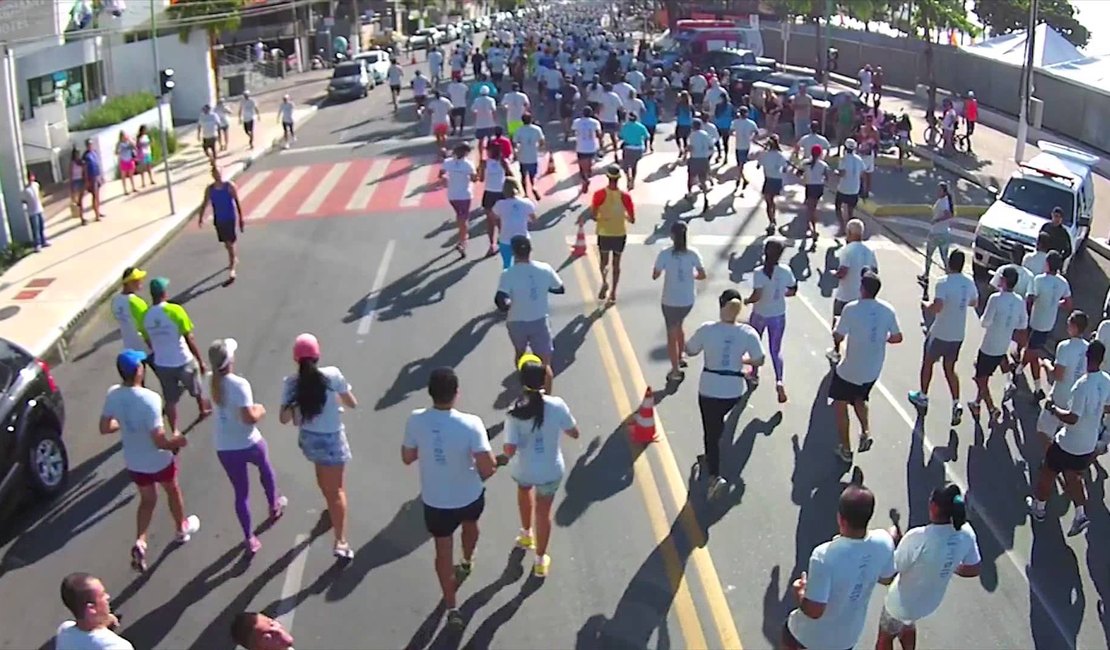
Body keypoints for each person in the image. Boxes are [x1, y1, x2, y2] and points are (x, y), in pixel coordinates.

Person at [402, 367, 497, 629]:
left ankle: (452, 605)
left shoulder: (415, 420)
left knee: (443, 553)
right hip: (469, 496)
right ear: (457, 393)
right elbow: (487, 468)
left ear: (430, 393)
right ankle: (466, 561)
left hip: (435, 502)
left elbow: (407, 457)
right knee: (471, 527)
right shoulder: (472, 424)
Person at [100, 349, 199, 572]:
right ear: (138, 371)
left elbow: (105, 427)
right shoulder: (151, 399)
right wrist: (178, 442)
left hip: (134, 462)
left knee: (147, 500)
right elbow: (159, 441)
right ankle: (181, 529)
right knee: (172, 491)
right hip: (158, 461)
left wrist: (124, 425)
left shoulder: (113, 394)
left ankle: (140, 541)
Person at [783, 482, 895, 650]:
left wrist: (799, 591)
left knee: (787, 635)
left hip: (808, 638)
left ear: (840, 518)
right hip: (846, 639)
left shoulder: (824, 556)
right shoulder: (884, 542)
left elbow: (814, 611)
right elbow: (887, 578)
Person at [279, 333, 358, 559]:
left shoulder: (292, 383)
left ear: (296, 359)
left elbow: (283, 418)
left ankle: (330, 510)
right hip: (332, 439)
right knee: (337, 491)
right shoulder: (332, 375)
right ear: (317, 356)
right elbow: (352, 402)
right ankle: (341, 541)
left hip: (309, 440)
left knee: (323, 479)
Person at [501, 354, 580, 577]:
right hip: (550, 470)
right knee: (543, 512)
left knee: (524, 491)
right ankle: (539, 561)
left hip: (523, 469)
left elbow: (509, 450)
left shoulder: (514, 410)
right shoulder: (557, 405)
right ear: (544, 380)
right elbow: (574, 433)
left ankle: (526, 534)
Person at [878, 484, 981, 650]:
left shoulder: (919, 537)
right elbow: (974, 567)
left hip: (900, 602)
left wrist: (891, 541)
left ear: (933, 506)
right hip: (929, 602)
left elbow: (890, 573)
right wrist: (951, 565)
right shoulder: (966, 533)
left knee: (884, 641)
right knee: (908, 623)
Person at [208, 338, 286, 554]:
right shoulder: (239, 385)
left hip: (225, 447)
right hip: (248, 442)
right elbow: (248, 417)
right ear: (230, 360)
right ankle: (274, 504)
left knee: (240, 493)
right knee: (265, 468)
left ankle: (249, 537)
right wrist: (260, 409)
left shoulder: (209, 381)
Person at [685, 290, 765, 498]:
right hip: (733, 391)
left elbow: (690, 350)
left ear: (721, 306)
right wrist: (742, 361)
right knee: (718, 422)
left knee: (710, 433)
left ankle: (714, 476)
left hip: (709, 388)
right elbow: (760, 359)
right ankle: (712, 457)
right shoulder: (747, 332)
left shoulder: (707, 329)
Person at [1028, 341, 1110, 537]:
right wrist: (1096, 412)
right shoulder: (1107, 381)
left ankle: (1038, 508)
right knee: (1074, 477)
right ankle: (1080, 514)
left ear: (1087, 357)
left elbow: (1072, 418)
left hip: (1068, 443)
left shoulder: (1081, 386)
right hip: (1088, 444)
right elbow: (1107, 407)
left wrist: (1053, 409)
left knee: (1048, 472)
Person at [828, 271, 903, 463]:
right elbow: (897, 337)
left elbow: (838, 336)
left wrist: (836, 327)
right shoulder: (888, 309)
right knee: (860, 397)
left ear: (862, 289)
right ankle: (865, 432)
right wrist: (881, 338)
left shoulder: (851, 309)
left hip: (849, 369)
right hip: (873, 370)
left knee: (840, 404)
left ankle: (845, 448)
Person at [908, 250, 977, 426]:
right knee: (949, 368)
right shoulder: (968, 282)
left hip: (940, 332)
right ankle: (956, 403)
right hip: (958, 334)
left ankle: (923, 396)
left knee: (928, 362)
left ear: (949, 264)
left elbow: (937, 307)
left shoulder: (943, 283)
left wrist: (925, 306)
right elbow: (974, 302)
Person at [495, 236, 564, 392]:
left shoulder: (508, 274)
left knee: (520, 353)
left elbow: (501, 299)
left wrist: (507, 304)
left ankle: (525, 384)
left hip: (516, 322)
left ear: (513, 252)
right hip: (539, 321)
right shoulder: (545, 269)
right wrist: (543, 288)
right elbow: (560, 288)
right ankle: (547, 398)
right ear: (530, 250)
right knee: (545, 364)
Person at [141, 277, 210, 435]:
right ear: (164, 293)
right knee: (196, 388)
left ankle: (175, 430)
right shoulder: (175, 310)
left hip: (162, 363)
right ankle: (203, 410)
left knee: (170, 400)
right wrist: (200, 360)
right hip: (183, 359)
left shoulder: (146, 316)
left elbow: (147, 340)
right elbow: (189, 337)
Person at [970, 267, 1029, 422]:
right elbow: (1023, 324)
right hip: (1003, 344)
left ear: (1004, 280)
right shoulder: (1019, 301)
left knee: (980, 379)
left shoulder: (995, 299)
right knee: (984, 372)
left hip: (989, 346)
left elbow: (985, 322)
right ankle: (977, 403)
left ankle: (991, 408)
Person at [653, 222, 707, 382]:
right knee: (679, 325)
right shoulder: (693, 254)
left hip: (670, 300)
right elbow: (702, 274)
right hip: (687, 300)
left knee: (671, 333)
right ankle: (681, 355)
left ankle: (675, 370)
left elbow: (655, 274)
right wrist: (692, 277)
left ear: (671, 236)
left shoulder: (665, 254)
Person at [745, 238, 797, 403]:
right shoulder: (785, 271)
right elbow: (792, 290)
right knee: (776, 349)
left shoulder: (759, 272)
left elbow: (757, 296)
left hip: (760, 314)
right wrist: (780, 294)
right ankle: (779, 380)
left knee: (755, 344)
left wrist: (747, 301)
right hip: (778, 315)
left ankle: (754, 373)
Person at [1022, 251, 1073, 400]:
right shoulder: (1063, 283)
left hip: (1035, 321)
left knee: (1033, 354)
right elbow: (1069, 303)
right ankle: (1018, 369)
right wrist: (1056, 303)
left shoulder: (1038, 280)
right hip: (1048, 323)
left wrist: (1030, 309)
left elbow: (1030, 298)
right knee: (1031, 349)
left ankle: (1037, 388)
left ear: (1047, 263)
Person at [1036, 311, 1090, 450]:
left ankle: (1050, 460)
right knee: (1064, 434)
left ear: (1074, 327)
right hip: (1076, 400)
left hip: (1060, 396)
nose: (1067, 327)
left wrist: (1046, 363)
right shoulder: (1088, 348)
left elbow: (1058, 375)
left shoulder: (1064, 347)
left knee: (1043, 431)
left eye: (1069, 324)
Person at [587, 165, 635, 303]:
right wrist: (625, 216)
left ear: (607, 178)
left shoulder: (599, 194)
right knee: (616, 264)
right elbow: (632, 219)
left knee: (603, 262)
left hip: (604, 232)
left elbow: (594, 215)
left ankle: (604, 281)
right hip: (619, 233)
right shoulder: (625, 196)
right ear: (619, 179)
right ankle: (613, 292)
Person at [827, 220, 878, 348]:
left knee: (838, 322)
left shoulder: (847, 250)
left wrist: (834, 274)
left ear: (849, 232)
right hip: (862, 295)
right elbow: (875, 271)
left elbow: (843, 271)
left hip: (845, 294)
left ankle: (836, 348)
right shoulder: (869, 251)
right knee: (860, 324)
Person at [56, 573, 133, 649]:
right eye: (102, 595)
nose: (107, 597)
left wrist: (103, 622)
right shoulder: (118, 646)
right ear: (91, 608)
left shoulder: (64, 631)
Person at [198, 166, 245, 283]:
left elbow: (237, 202)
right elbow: (205, 203)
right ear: (212, 175)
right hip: (219, 219)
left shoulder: (229, 186)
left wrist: (241, 218)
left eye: (219, 172)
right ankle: (233, 257)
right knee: (226, 243)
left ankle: (232, 267)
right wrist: (201, 217)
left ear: (222, 173)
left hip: (230, 218)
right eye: (215, 173)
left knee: (230, 242)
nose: (217, 175)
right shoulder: (210, 189)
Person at [439, 142, 479, 257]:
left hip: (452, 196)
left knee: (460, 216)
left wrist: (444, 179)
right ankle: (463, 242)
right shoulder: (468, 164)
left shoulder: (448, 162)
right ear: (466, 152)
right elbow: (474, 179)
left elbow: (441, 174)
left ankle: (463, 238)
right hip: (465, 195)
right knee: (464, 219)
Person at [492, 179, 537, 270]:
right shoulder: (526, 203)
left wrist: (501, 227)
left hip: (505, 239)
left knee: (507, 265)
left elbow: (494, 218)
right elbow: (534, 219)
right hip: (522, 238)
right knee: (523, 264)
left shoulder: (500, 204)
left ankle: (509, 281)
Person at [918, 182, 955, 286]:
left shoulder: (943, 202)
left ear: (944, 191)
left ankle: (926, 275)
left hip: (936, 233)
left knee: (929, 255)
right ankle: (949, 275)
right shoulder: (946, 201)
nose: (937, 192)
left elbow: (948, 215)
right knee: (944, 257)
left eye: (939, 190)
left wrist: (936, 220)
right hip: (944, 233)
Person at [479, 144, 511, 257]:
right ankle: (495, 243)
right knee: (494, 220)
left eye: (488, 150)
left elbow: (481, 178)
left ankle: (496, 243)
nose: (487, 152)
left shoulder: (489, 162)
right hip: (496, 193)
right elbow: (509, 175)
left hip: (493, 193)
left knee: (493, 220)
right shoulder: (501, 162)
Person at [796, 144, 830, 246]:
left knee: (811, 209)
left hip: (810, 187)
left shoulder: (805, 163)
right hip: (819, 187)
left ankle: (813, 229)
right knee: (812, 207)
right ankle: (810, 226)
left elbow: (798, 173)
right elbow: (827, 178)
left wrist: (804, 175)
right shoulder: (823, 165)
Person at [112, 267, 149, 354]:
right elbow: (145, 325)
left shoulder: (116, 300)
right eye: (136, 280)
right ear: (129, 283)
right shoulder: (136, 302)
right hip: (145, 347)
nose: (140, 281)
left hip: (129, 347)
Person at [757, 135, 789, 235]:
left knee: (768, 202)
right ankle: (773, 218)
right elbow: (785, 168)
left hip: (768, 179)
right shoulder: (781, 155)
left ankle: (771, 221)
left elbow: (758, 166)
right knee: (771, 201)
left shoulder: (764, 155)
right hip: (777, 180)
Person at [512, 113, 545, 201]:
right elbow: (542, 141)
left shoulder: (519, 130)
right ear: (531, 119)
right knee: (532, 176)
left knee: (523, 175)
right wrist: (538, 147)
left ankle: (526, 193)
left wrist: (515, 152)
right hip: (533, 155)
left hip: (522, 156)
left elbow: (515, 142)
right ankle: (534, 186)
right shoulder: (537, 129)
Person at [834, 139, 865, 233]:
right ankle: (850, 228)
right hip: (855, 189)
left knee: (838, 207)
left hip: (843, 188)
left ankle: (842, 225)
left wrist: (836, 173)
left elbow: (842, 173)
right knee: (850, 211)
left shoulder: (843, 159)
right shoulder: (859, 159)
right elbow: (862, 173)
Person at [731, 106, 759, 196]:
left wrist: (735, 134)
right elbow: (756, 132)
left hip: (738, 145)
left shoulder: (735, 122)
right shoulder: (751, 123)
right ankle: (742, 179)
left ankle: (739, 179)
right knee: (741, 164)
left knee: (740, 164)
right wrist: (752, 138)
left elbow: (731, 131)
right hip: (746, 145)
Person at [618, 111, 649, 189]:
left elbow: (620, 136)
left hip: (628, 148)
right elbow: (647, 136)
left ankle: (628, 178)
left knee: (625, 165)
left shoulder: (625, 126)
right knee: (634, 165)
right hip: (638, 148)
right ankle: (633, 181)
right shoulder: (641, 126)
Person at [21, 171, 48, 252]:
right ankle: (37, 244)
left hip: (39, 209)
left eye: (32, 176)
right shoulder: (26, 189)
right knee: (35, 228)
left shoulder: (36, 185)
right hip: (32, 211)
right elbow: (23, 200)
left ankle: (43, 241)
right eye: (29, 177)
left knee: (41, 226)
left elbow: (39, 194)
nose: (31, 178)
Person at [472, 86, 499, 156]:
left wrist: (475, 119)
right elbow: (494, 110)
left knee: (480, 141)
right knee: (490, 140)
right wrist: (495, 120)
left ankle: (481, 155)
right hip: (489, 122)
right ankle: (489, 154)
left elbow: (473, 110)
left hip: (480, 123)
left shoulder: (477, 100)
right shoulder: (491, 100)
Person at [83, 139, 104, 221]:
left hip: (97, 175)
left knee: (98, 195)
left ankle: (98, 211)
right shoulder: (86, 155)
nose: (90, 146)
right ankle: (96, 215)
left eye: (91, 144)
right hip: (91, 177)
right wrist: (86, 180)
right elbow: (85, 169)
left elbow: (97, 164)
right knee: (94, 196)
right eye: (88, 144)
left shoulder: (94, 152)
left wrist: (101, 176)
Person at [427, 90, 453, 155]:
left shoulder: (433, 103)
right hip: (445, 119)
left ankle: (440, 148)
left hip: (436, 120)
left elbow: (429, 111)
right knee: (444, 134)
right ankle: (444, 147)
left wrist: (432, 113)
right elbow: (450, 109)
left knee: (437, 135)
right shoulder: (446, 101)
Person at [116, 131, 138, 196]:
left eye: (125, 135)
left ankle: (133, 187)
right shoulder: (119, 144)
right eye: (124, 136)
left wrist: (130, 139)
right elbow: (116, 152)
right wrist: (119, 151)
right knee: (124, 176)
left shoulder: (129, 142)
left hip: (130, 159)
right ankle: (125, 190)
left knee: (131, 175)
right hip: (123, 160)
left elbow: (135, 146)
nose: (125, 137)